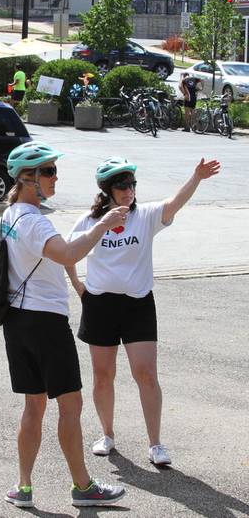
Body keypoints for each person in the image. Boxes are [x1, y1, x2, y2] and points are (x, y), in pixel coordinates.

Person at [66, 156, 220, 467]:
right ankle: (107, 435)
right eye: (122, 186)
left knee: (146, 374)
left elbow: (175, 203)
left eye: (132, 185)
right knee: (102, 375)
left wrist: (196, 178)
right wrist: (78, 287)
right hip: (100, 305)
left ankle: (156, 444)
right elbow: (69, 252)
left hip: (138, 305)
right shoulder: (89, 221)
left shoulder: (145, 215)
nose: (129, 190)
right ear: (108, 190)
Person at [0, 141, 127, 510]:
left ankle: (23, 487)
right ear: (29, 178)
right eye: (49, 171)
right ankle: (83, 487)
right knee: (70, 407)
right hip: (45, 323)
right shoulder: (34, 221)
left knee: (33, 407)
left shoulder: (10, 214)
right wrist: (103, 224)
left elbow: (53, 249)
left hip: (18, 320)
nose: (56, 177)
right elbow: (68, 253)